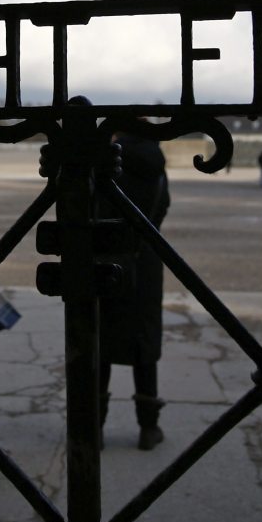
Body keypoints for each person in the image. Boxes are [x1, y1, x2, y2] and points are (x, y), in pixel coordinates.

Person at [99, 130, 170, 451]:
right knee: (144, 340)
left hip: (109, 254)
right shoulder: (155, 162)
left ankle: (94, 426)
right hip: (146, 257)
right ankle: (148, 427)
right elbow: (163, 205)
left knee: (101, 341)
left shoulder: (107, 159)